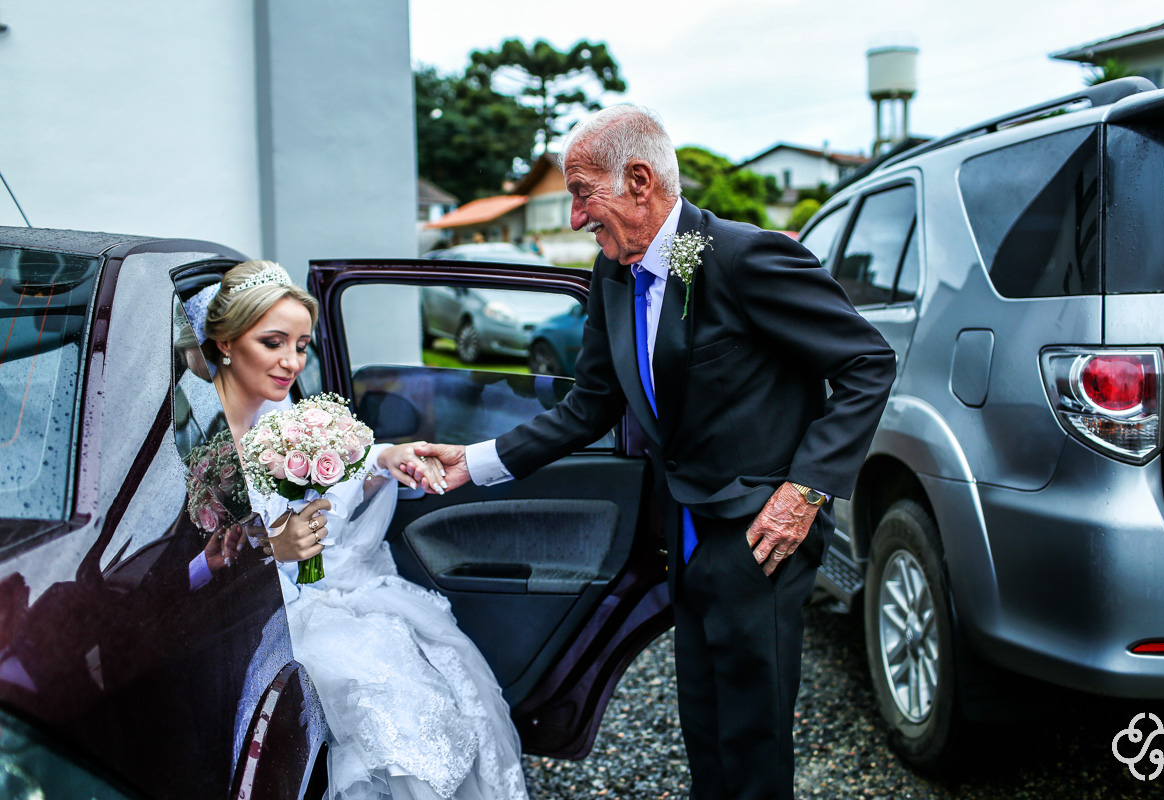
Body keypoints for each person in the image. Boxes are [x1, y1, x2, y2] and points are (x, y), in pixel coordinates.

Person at [407, 106, 897, 800]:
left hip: (763, 539)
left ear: (639, 180)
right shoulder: (611, 276)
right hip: (684, 538)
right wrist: (477, 461)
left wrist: (803, 492)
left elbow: (866, 364)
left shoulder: (748, 257)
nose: (576, 217)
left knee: (755, 737)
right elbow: (590, 405)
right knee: (702, 720)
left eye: (581, 192)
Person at [191, 261, 528, 800]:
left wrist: (384, 457)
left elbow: (335, 470)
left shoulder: (286, 416)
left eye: (302, 346)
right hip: (256, 625)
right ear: (226, 342)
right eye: (273, 342)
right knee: (376, 694)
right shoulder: (198, 443)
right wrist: (269, 548)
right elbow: (178, 570)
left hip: (320, 592)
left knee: (433, 680)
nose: (291, 363)